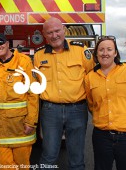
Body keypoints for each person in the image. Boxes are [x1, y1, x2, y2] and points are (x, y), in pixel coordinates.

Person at [33, 17, 94, 169]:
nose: (54, 36)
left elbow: (92, 78)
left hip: (77, 110)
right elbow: (36, 82)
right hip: (49, 110)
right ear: (44, 35)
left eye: (57, 31)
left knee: (76, 157)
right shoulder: (39, 55)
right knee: (49, 155)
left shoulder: (81, 50)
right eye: (49, 33)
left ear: (64, 30)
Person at [84, 35, 126, 170]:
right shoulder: (89, 77)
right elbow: (91, 104)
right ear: (96, 54)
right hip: (101, 137)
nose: (105, 53)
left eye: (109, 49)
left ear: (115, 53)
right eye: (101, 50)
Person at [0, 33, 39, 169]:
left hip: (21, 128)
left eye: (1, 42)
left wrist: (31, 121)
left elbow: (33, 93)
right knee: (4, 167)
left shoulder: (24, 62)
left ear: (7, 44)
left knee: (22, 166)